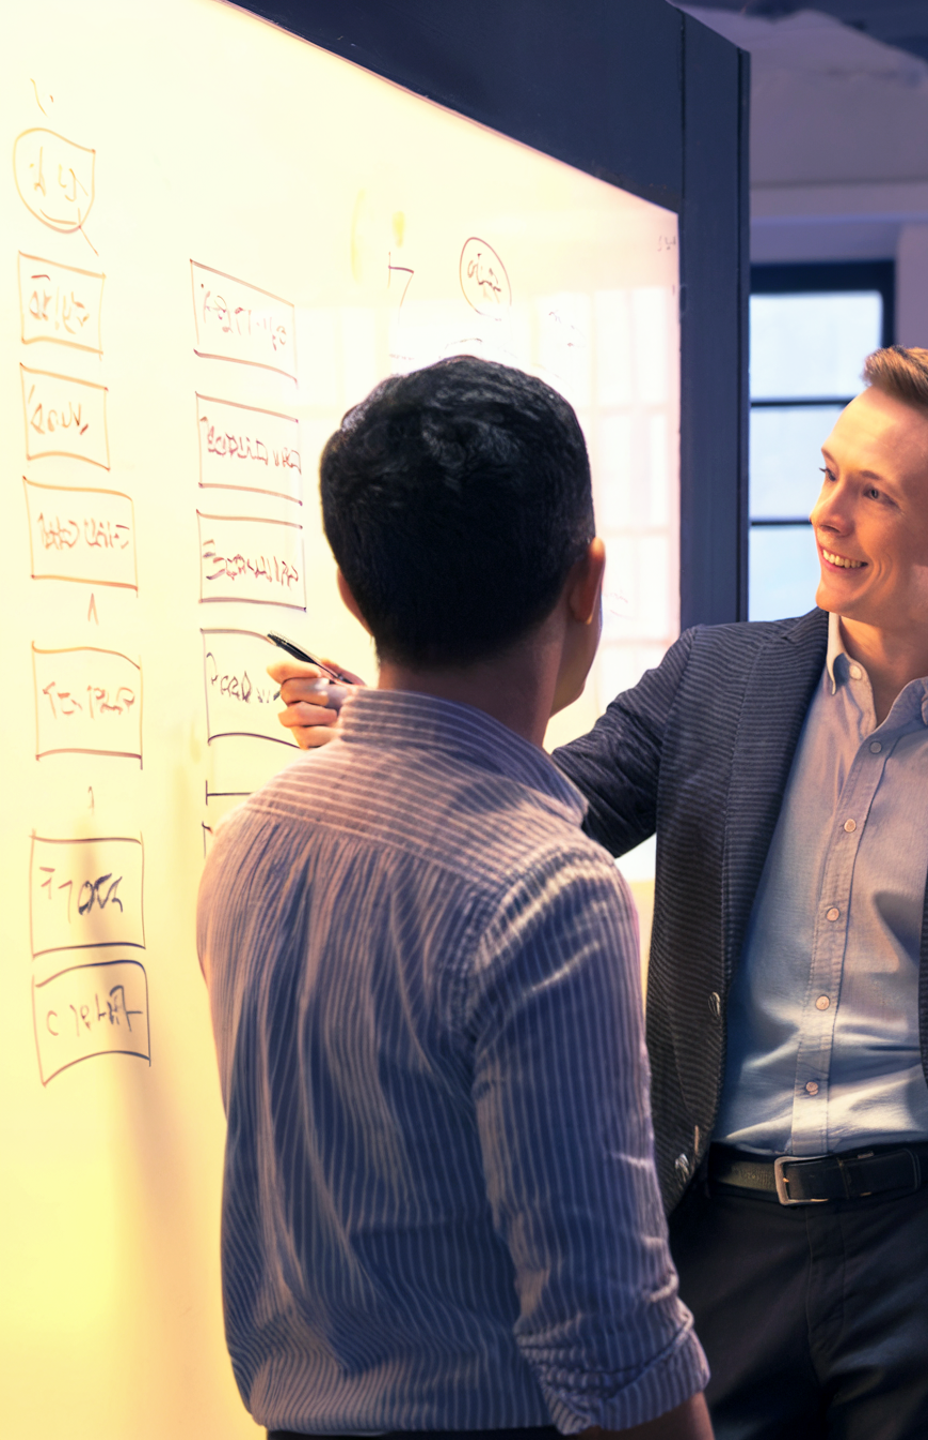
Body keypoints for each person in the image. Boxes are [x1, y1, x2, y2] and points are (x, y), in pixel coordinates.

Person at [269, 347, 928, 1440]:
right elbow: (546, 803)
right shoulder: (712, 680)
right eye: (830, 474)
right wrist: (405, 720)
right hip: (716, 1235)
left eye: (873, 493)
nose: (828, 514)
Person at [200, 357, 712, 1440]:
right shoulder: (550, 891)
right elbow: (608, 1332)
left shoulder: (253, 840)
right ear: (589, 582)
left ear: (351, 591)